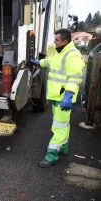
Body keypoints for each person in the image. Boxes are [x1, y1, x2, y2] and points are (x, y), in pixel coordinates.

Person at [31, 28, 85, 168]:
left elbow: (75, 78)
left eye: (56, 40)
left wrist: (68, 95)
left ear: (65, 41)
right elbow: (49, 63)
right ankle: (63, 148)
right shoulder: (58, 51)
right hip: (56, 96)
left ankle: (51, 155)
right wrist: (38, 62)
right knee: (63, 124)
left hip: (63, 98)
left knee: (58, 127)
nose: (54, 42)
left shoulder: (73, 55)